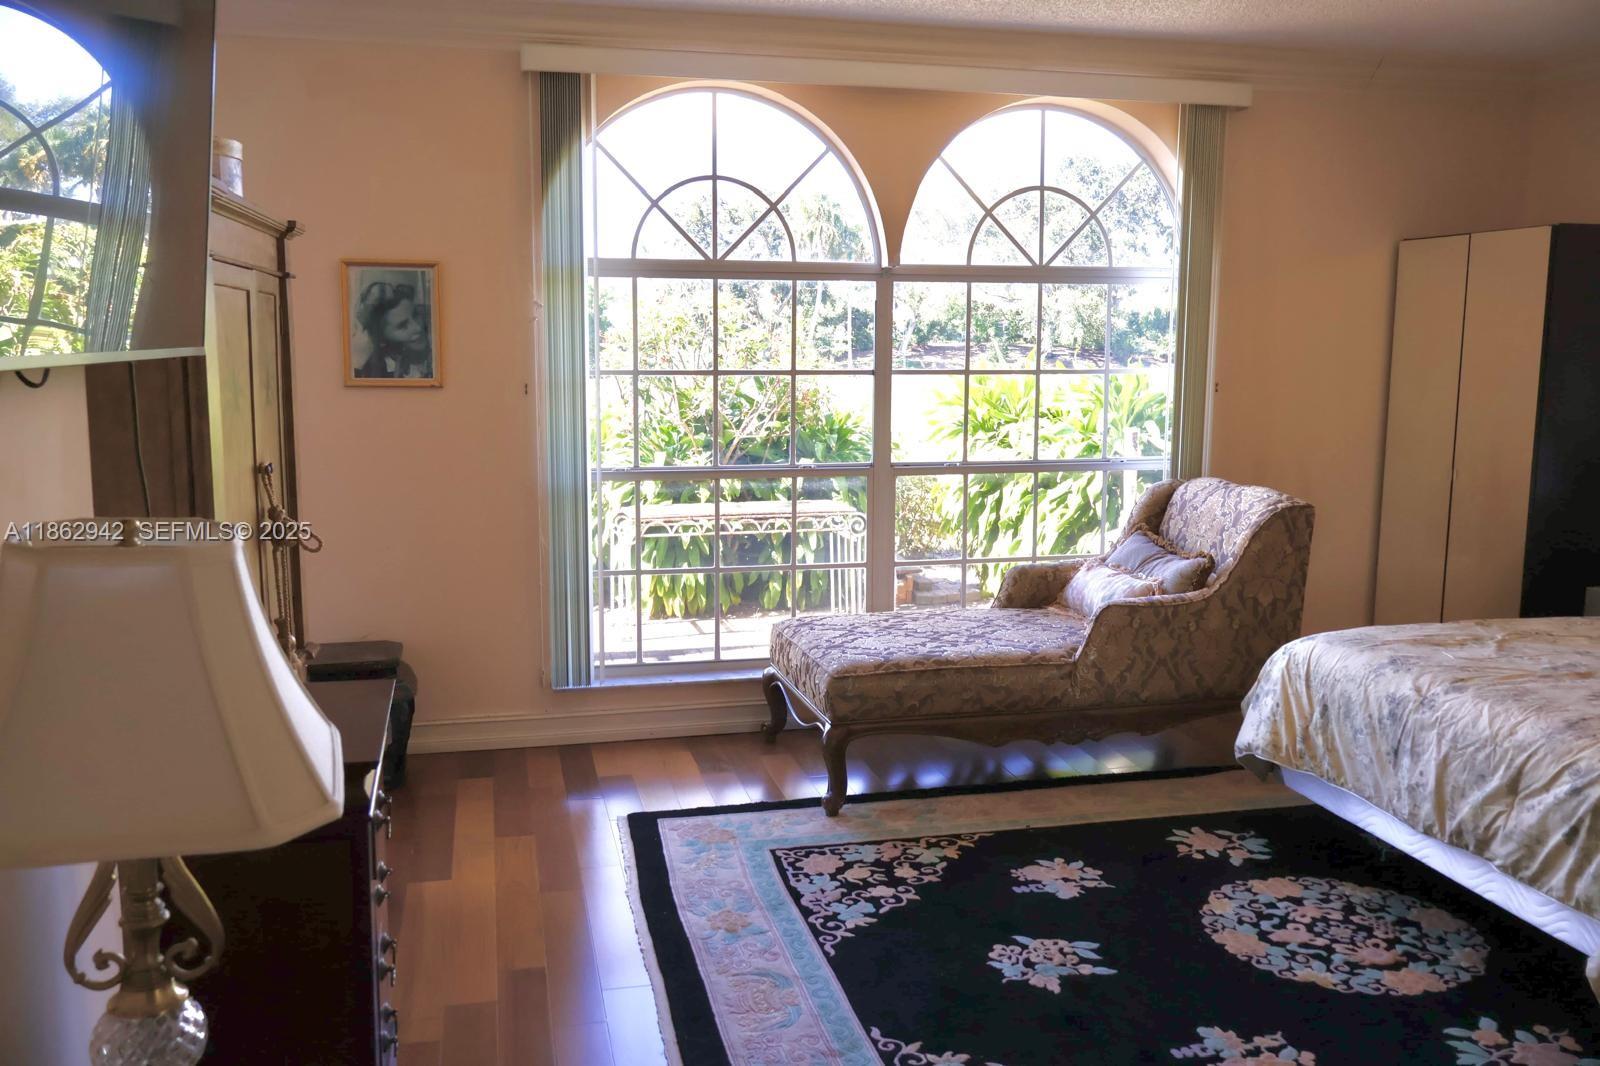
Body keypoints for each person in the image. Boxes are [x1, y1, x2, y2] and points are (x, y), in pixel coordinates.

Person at [353, 280, 432, 378]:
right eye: (403, 326)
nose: (418, 327)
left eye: (415, 315)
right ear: (383, 340)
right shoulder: (374, 372)